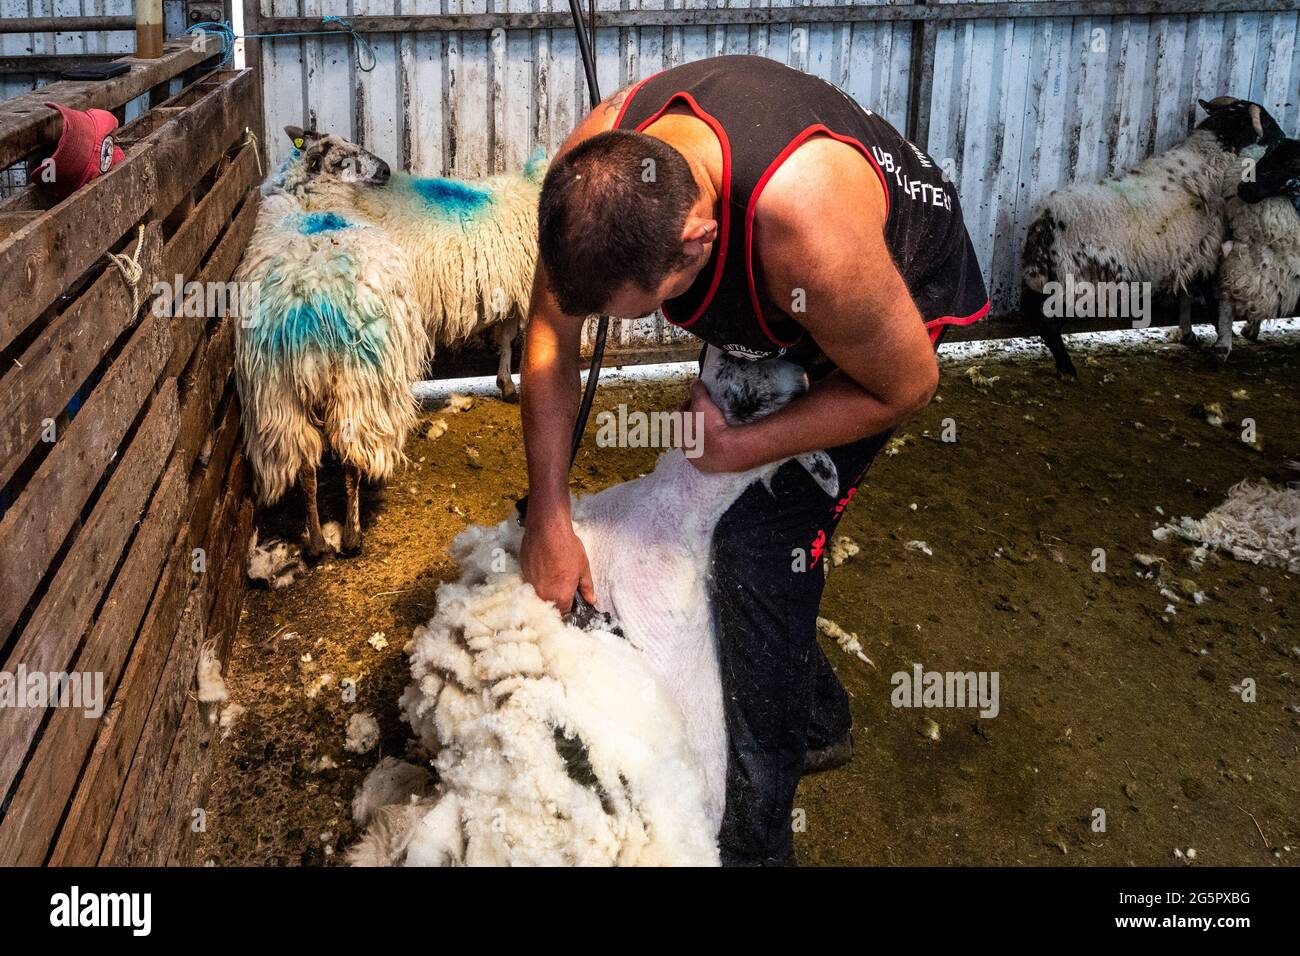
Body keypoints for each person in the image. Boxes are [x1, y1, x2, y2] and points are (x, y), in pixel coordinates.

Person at [518, 54, 988, 866]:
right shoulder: (596, 168)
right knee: (700, 503)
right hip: (770, 285)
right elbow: (552, 338)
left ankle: (753, 841)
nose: (633, 325)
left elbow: (906, 385)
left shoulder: (806, 224)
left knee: (755, 548)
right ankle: (818, 718)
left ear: (697, 242)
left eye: (648, 310)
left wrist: (740, 447)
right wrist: (550, 516)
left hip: (885, 313)